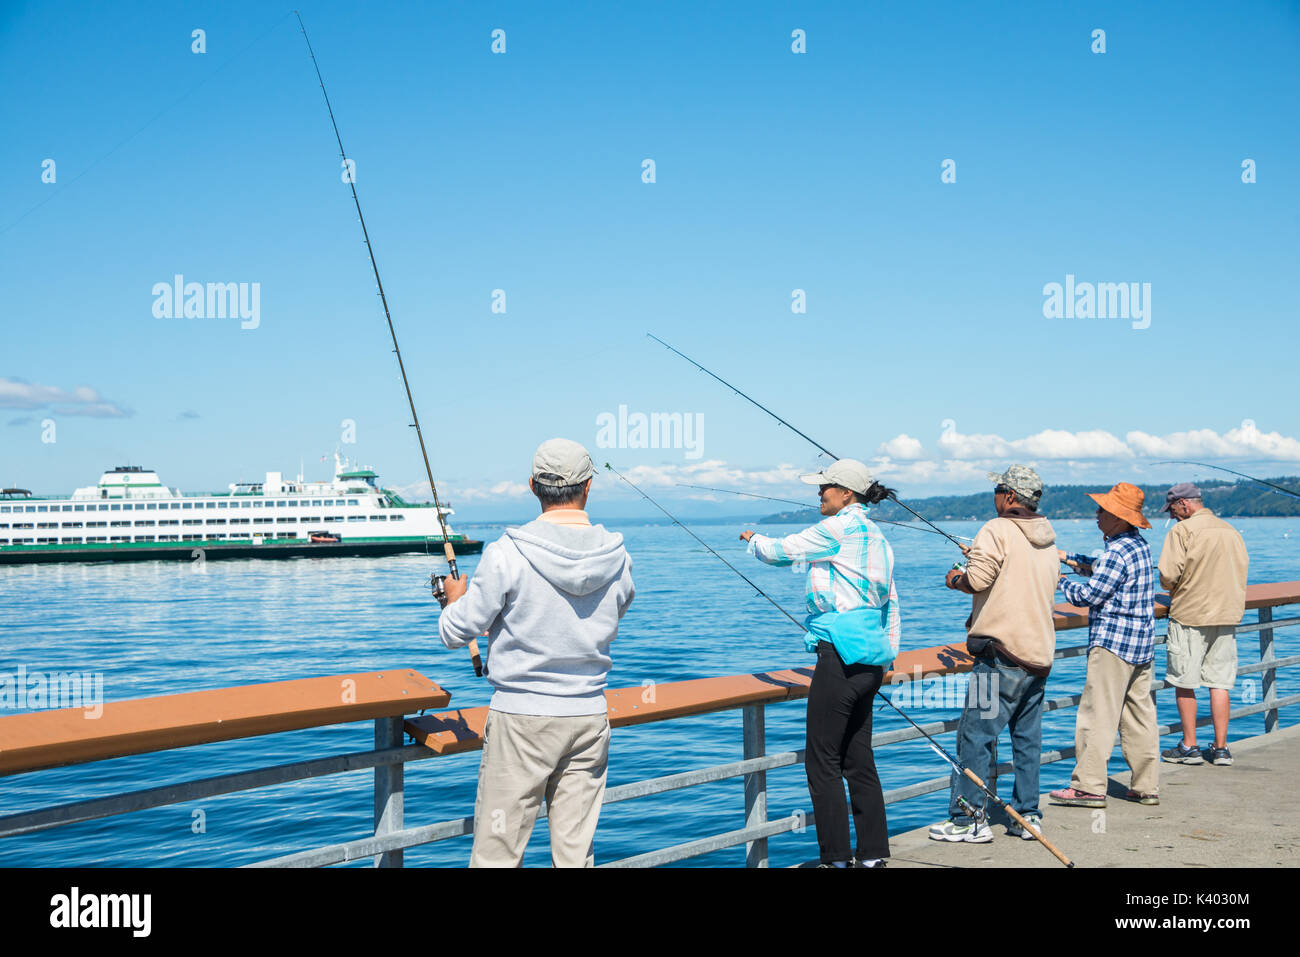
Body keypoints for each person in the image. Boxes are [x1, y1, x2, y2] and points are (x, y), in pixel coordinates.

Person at [438, 438, 635, 867]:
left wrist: (454, 599)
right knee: (575, 854)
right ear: (587, 487)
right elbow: (617, 609)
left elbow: (456, 633)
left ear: (532, 486)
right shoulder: (618, 556)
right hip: (588, 714)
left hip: (521, 718)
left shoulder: (507, 552)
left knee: (498, 852)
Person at [740, 458, 900, 868]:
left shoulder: (840, 527)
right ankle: (873, 856)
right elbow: (891, 603)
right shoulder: (878, 536)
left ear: (846, 493)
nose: (818, 494)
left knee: (822, 760)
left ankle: (836, 859)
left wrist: (753, 538)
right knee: (858, 759)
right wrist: (889, 656)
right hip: (871, 660)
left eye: (825, 487)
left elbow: (782, 552)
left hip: (839, 657)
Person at [930, 465, 1058, 843]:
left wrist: (956, 576)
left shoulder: (996, 529)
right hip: (1038, 656)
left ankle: (968, 820)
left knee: (975, 737)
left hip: (999, 658)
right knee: (1027, 741)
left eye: (998, 490)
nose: (995, 496)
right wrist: (981, 556)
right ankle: (1027, 815)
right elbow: (1015, 575)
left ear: (1010, 496)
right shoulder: (1047, 537)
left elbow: (978, 580)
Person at [1049, 482, 1159, 808]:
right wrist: (1068, 558)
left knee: (1097, 716)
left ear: (1119, 518)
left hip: (1112, 644)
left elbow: (1088, 596)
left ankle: (1089, 787)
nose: (1096, 515)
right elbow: (1101, 569)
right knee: (1140, 717)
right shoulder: (1139, 546)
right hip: (1141, 644)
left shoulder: (1116, 552)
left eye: (1103, 511)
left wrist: (1059, 580)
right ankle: (1146, 786)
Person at [1157, 482, 1249, 767]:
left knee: (1185, 682)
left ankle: (1189, 746)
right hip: (1226, 614)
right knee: (1219, 683)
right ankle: (1221, 749)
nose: (1172, 515)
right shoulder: (1230, 530)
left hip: (1190, 615)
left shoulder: (1182, 531)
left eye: (1173, 509)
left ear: (1184, 504)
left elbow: (1168, 575)